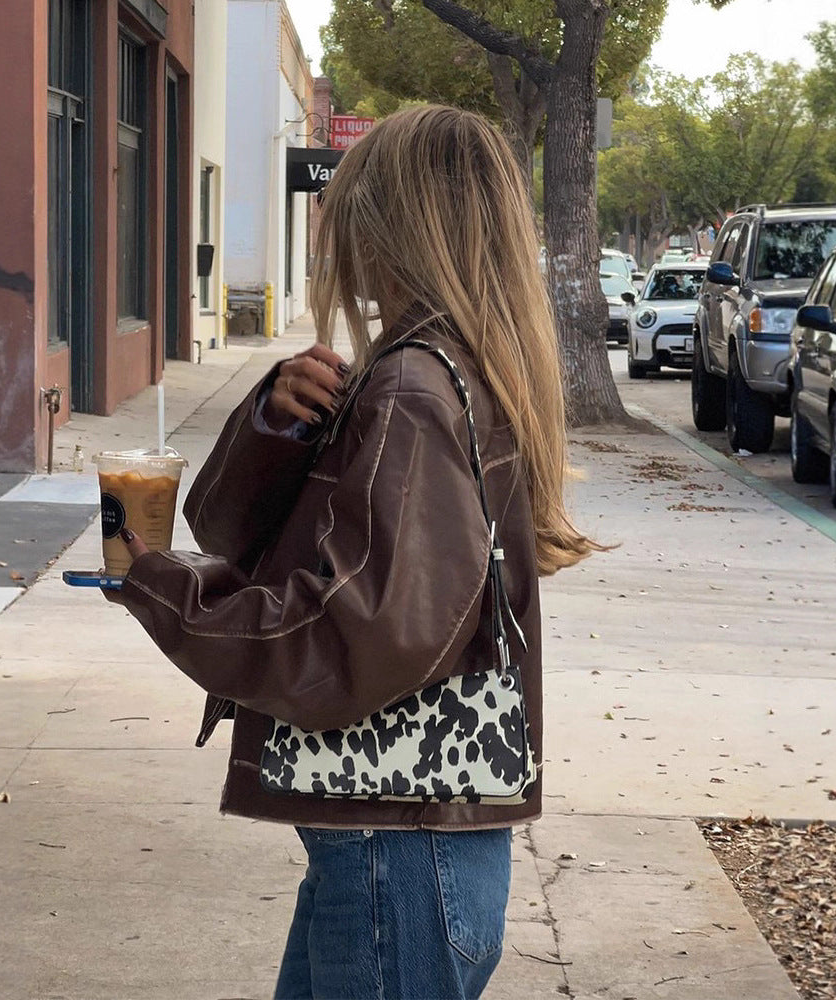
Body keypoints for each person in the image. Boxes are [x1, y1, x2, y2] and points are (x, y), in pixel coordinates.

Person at [111, 104, 597, 1000]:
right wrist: (277, 422)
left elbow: (354, 634)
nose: (341, 228)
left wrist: (155, 584)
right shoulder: (445, 365)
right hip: (403, 845)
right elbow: (252, 539)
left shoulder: (415, 385)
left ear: (396, 221)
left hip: (395, 853)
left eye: (355, 205)